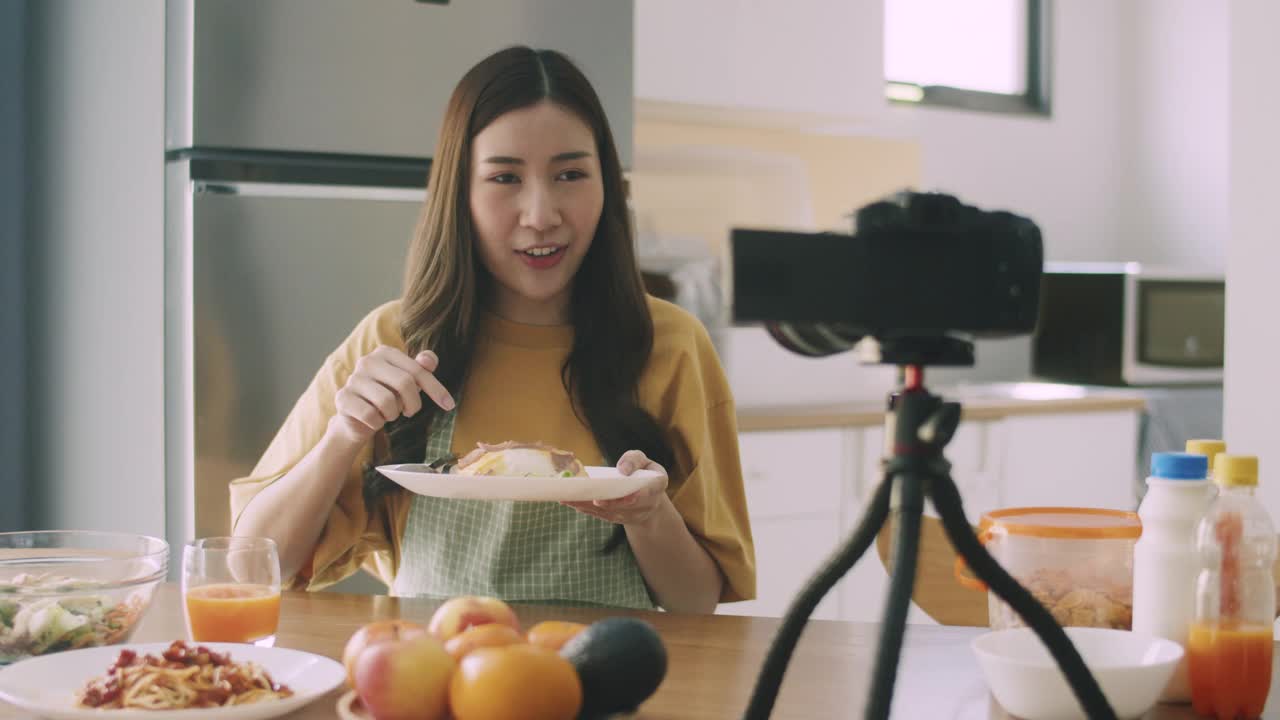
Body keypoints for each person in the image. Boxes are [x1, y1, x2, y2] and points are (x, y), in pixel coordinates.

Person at [229, 46, 755, 613]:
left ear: (608, 186)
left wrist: (650, 515)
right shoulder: (393, 339)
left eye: (571, 174)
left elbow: (696, 602)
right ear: (460, 193)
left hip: (606, 686)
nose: (540, 213)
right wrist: (343, 435)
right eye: (505, 177)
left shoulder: (671, 345)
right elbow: (256, 565)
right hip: (434, 684)